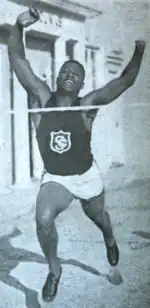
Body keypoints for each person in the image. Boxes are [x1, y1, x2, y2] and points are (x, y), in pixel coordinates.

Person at [8, 6, 146, 303]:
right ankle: (55, 270)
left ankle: (109, 238)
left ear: (82, 84)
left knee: (97, 216)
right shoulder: (42, 97)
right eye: (66, 72)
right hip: (57, 179)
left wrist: (140, 47)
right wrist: (19, 27)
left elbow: (125, 82)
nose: (70, 75)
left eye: (76, 74)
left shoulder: (87, 105)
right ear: (58, 76)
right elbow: (18, 59)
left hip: (86, 175)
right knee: (43, 218)